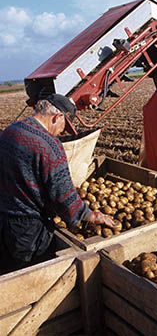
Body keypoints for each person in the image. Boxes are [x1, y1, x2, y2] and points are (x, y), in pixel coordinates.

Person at [0, 94, 114, 271]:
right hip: (28, 229)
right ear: (58, 116)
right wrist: (91, 216)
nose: (62, 132)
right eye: (64, 126)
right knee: (32, 278)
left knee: (8, 274)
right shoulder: (49, 146)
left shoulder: (10, 131)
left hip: (3, 218)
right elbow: (64, 196)